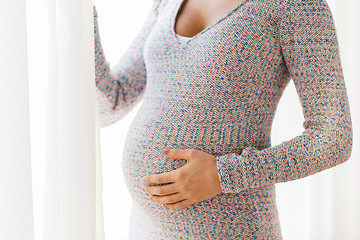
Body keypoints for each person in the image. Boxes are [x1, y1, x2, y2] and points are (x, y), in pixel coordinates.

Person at [93, 0, 353, 238]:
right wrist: (80, 19)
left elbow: (333, 137)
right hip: (147, 229)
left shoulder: (295, 6)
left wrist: (225, 174)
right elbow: (111, 104)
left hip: (232, 230)